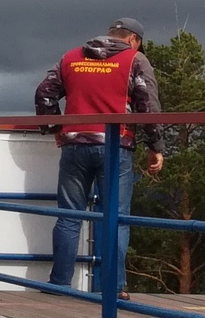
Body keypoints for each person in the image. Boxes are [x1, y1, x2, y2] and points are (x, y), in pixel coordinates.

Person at [34, 17, 166, 298]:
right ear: (133, 40)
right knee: (114, 218)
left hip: (75, 145)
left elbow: (45, 93)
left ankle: (59, 284)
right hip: (115, 146)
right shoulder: (135, 60)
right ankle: (113, 287)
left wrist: (55, 127)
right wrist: (156, 146)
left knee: (68, 216)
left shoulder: (71, 57)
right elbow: (147, 104)